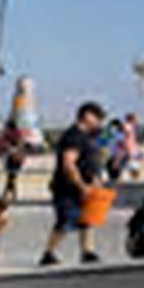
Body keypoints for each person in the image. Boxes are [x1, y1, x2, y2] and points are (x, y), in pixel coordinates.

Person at [41, 102, 105, 266]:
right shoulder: (74, 136)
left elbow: (90, 161)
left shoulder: (86, 137)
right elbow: (68, 163)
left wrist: (95, 180)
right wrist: (82, 185)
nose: (99, 122)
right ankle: (49, 253)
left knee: (87, 219)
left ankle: (87, 251)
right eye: (97, 118)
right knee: (66, 220)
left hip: (85, 186)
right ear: (87, 116)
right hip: (68, 188)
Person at [0, 118, 27, 199]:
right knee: (12, 176)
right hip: (18, 159)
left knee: (11, 176)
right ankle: (12, 194)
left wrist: (8, 147)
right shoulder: (18, 133)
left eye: (6, 126)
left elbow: (3, 144)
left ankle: (7, 195)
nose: (5, 128)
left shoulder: (11, 134)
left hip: (14, 158)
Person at [123, 113, 142, 180]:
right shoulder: (128, 126)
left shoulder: (131, 127)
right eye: (136, 119)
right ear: (132, 119)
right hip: (129, 149)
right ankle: (132, 179)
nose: (137, 121)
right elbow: (125, 138)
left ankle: (133, 178)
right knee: (132, 165)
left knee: (134, 165)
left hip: (132, 149)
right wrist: (128, 150)